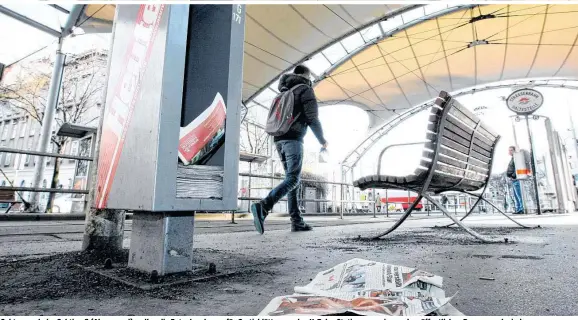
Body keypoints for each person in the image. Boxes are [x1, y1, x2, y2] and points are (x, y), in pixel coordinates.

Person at [251, 65, 327, 234]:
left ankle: (297, 222)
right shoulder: (305, 90)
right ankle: (264, 206)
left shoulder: (283, 91)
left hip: (278, 138)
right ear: (307, 77)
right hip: (293, 138)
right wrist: (322, 141)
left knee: (292, 179)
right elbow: (313, 118)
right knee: (293, 179)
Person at [506, 146, 524, 214]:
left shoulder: (516, 158)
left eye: (511, 150)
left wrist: (513, 176)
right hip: (514, 179)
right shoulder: (513, 158)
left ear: (514, 151)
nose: (509, 152)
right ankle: (519, 208)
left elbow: (517, 167)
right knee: (516, 195)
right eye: (509, 150)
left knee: (519, 194)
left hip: (516, 178)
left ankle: (521, 208)